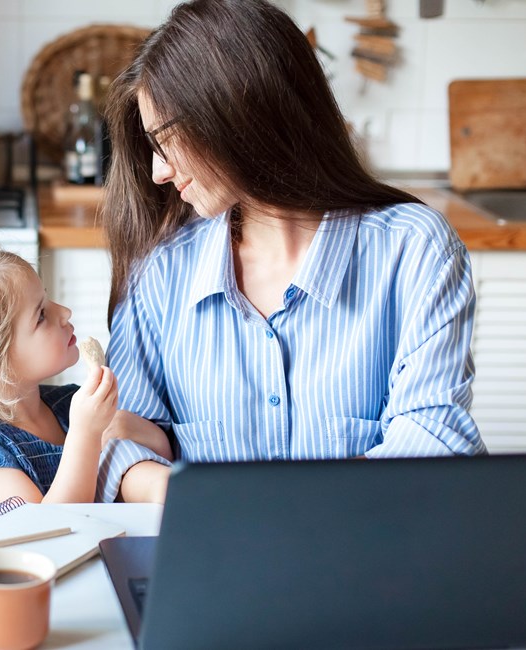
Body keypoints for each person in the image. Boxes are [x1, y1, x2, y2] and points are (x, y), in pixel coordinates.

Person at [94, 0, 486, 499]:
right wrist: (237, 510)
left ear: (238, 116)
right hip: (210, 560)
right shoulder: (161, 272)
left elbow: (434, 442)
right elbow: (118, 442)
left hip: (373, 560)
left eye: (166, 140)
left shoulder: (414, 250)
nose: (159, 172)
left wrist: (268, 512)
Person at [0, 233, 170, 506]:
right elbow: (44, 531)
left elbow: (160, 452)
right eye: (41, 316)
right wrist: (85, 434)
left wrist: (128, 426)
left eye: (47, 299)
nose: (64, 312)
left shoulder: (67, 405)